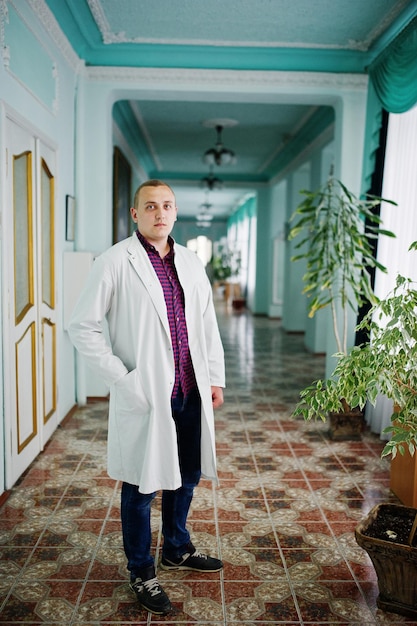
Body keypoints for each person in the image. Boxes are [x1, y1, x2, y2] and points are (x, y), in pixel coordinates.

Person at [68, 179, 225, 615]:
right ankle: (141, 569)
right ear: (135, 214)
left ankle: (177, 547)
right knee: (141, 485)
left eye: (168, 205)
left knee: (187, 474)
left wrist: (214, 377)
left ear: (176, 212)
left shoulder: (192, 263)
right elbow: (82, 325)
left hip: (189, 390)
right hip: (146, 392)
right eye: (151, 206)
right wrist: (122, 378)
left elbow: (207, 324)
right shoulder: (115, 261)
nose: (161, 213)